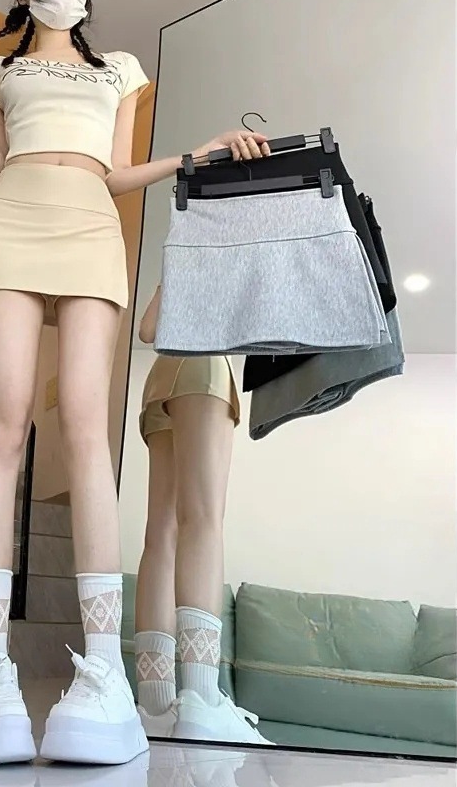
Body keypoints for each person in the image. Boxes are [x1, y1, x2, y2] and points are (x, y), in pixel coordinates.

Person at [0, 0, 270, 768]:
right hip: (12, 216)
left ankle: (104, 675)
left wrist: (199, 155)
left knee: (88, 429)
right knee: (3, 427)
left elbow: (117, 173)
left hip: (91, 226)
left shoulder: (120, 68)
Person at [134, 287, 273, 744]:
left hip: (161, 379)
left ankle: (155, 704)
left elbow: (148, 330)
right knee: (204, 520)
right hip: (207, 370)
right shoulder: (231, 258)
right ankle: (200, 699)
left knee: (161, 536)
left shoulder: (181, 258)